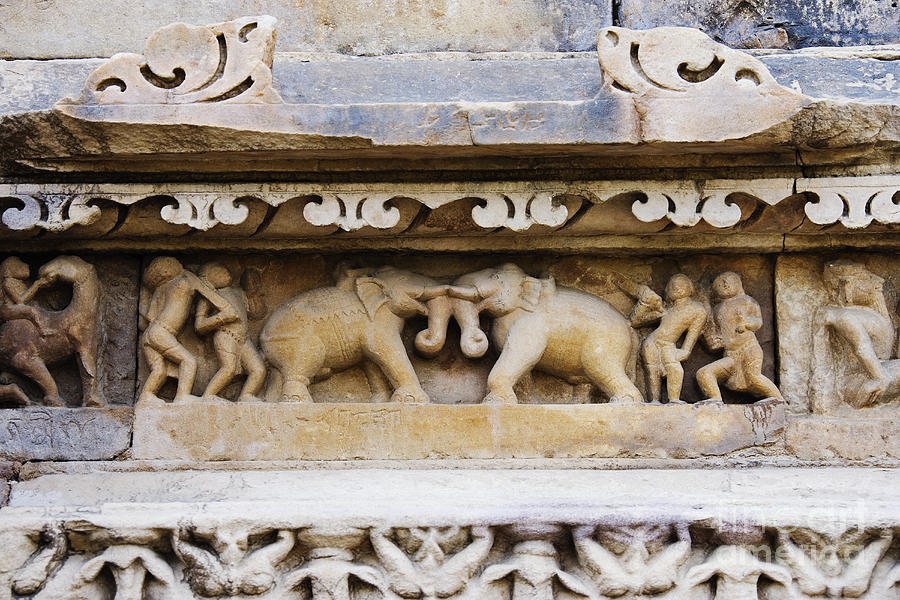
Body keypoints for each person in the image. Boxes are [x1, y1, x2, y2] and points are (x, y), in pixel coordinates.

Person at [139, 257, 232, 403]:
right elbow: (207, 293)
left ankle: (146, 396)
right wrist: (225, 309)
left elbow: (150, 316)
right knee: (188, 362)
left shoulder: (160, 289)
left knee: (159, 370)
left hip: (150, 332)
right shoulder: (186, 279)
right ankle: (182, 396)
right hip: (163, 332)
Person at [696, 272, 782, 403]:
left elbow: (757, 321)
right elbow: (715, 337)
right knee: (704, 373)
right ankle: (715, 399)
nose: (724, 284)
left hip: (748, 349)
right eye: (719, 284)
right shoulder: (717, 309)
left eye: (728, 280)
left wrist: (747, 324)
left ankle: (777, 399)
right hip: (730, 355)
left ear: (739, 283)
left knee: (753, 377)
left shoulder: (746, 301)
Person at [194, 263, 266, 401]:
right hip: (225, 335)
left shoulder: (238, 292)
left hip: (244, 338)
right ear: (207, 279)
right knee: (228, 369)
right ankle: (208, 396)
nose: (225, 272)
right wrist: (221, 318)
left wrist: (254, 289)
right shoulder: (208, 297)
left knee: (259, 370)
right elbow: (199, 325)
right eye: (217, 271)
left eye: (224, 269)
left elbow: (255, 312)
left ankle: (246, 395)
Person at [642, 274, 708, 403]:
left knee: (675, 369)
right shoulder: (667, 308)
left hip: (667, 343)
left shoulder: (697, 310)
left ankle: (674, 399)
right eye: (673, 285)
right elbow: (640, 321)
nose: (677, 287)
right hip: (651, 342)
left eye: (681, 283)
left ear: (690, 287)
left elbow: (693, 332)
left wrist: (686, 350)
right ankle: (654, 401)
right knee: (653, 370)